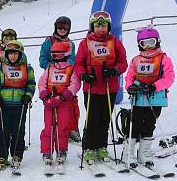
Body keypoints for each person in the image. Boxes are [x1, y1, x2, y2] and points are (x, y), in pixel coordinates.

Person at [74, 11, 128, 164]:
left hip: (109, 87)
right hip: (91, 87)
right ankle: (89, 147)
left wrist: (114, 70)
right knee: (92, 118)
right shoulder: (85, 43)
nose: (100, 29)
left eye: (103, 26)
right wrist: (84, 75)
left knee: (105, 118)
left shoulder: (115, 42)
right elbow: (78, 63)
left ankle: (101, 146)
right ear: (92, 27)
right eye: (97, 26)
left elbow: (123, 62)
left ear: (108, 27)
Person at [124, 27, 175, 168]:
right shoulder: (136, 60)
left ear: (157, 42)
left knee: (149, 124)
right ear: (139, 44)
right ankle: (128, 153)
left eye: (151, 42)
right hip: (139, 98)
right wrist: (130, 87)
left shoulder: (164, 59)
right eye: (144, 43)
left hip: (155, 97)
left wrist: (154, 86)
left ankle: (144, 153)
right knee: (135, 124)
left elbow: (169, 77)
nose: (148, 47)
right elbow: (129, 76)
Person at [0, 40, 36, 170]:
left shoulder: (27, 68)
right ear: (7, 54)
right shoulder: (0, 67)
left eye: (16, 53)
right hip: (4, 104)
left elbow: (31, 83)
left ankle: (17, 153)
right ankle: (1, 155)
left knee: (18, 131)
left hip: (20, 104)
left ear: (20, 54)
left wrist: (28, 95)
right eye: (10, 54)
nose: (13, 56)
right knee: (3, 130)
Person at [38, 41, 80, 172]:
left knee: (62, 127)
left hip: (64, 103)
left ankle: (61, 151)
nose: (56, 58)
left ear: (66, 55)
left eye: (59, 55)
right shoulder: (50, 68)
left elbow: (75, 84)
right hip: (50, 103)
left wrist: (64, 96)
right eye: (54, 55)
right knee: (49, 127)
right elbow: (42, 83)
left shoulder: (71, 69)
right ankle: (47, 151)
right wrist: (44, 96)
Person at [39, 16, 81, 143]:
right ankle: (52, 129)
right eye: (60, 27)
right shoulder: (49, 41)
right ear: (55, 27)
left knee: (70, 103)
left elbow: (73, 59)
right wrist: (52, 68)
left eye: (65, 27)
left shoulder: (70, 44)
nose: (62, 30)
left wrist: (67, 68)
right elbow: (42, 59)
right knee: (52, 104)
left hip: (67, 76)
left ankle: (71, 129)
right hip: (52, 78)